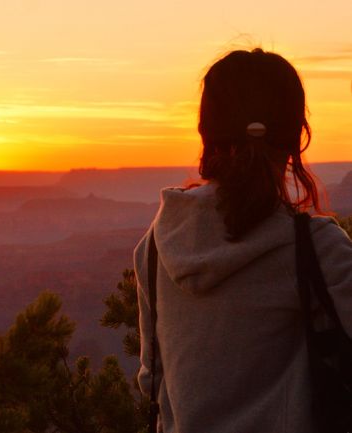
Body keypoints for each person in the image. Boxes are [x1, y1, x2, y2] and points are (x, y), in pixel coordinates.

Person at [134, 48, 352, 433]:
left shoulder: (154, 247)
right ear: (294, 136)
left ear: (207, 132)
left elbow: (153, 381)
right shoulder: (315, 248)